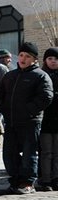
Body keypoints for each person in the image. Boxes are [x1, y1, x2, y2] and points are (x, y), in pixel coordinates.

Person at [0, 42, 53, 195]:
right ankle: (15, 180)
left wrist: (29, 111)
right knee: (9, 154)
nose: (23, 59)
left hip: (30, 122)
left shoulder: (40, 76)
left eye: (27, 56)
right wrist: (4, 110)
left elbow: (46, 97)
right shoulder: (10, 75)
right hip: (11, 121)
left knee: (29, 153)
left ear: (34, 59)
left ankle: (27, 182)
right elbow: (0, 95)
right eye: (21, 55)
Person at [39, 47, 58, 191]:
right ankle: (46, 179)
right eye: (50, 58)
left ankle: (56, 177)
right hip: (45, 120)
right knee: (46, 152)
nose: (53, 61)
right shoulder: (42, 75)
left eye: (56, 59)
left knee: (56, 152)